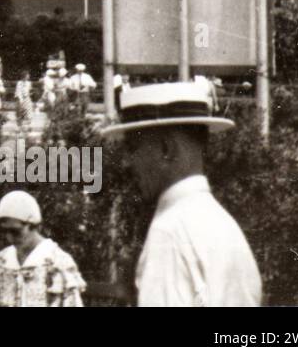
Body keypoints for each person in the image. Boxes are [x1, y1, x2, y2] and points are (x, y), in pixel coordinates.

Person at [101, 79, 262, 307]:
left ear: (166, 149)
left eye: (133, 148)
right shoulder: (225, 226)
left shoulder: (168, 233)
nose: (128, 163)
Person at [0, 190, 86, 307]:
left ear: (32, 225)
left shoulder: (57, 262)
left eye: (15, 232)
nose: (9, 238)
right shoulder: (1, 262)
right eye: (5, 231)